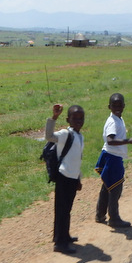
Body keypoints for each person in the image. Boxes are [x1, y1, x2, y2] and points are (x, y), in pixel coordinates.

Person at [95, 93, 132, 228]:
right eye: (114, 105)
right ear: (109, 106)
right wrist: (129, 141)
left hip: (110, 156)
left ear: (124, 106)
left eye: (119, 105)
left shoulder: (117, 118)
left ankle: (100, 214)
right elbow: (110, 140)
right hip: (112, 158)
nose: (117, 107)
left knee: (107, 186)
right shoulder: (113, 122)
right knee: (115, 189)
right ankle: (114, 218)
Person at [45, 103, 85, 254]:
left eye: (81, 118)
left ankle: (64, 236)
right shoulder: (64, 134)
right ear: (68, 120)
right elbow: (49, 136)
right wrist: (54, 117)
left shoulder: (80, 136)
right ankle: (60, 243)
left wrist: (78, 179)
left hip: (72, 178)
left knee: (67, 210)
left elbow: (77, 159)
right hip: (63, 177)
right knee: (62, 210)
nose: (78, 121)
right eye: (75, 118)